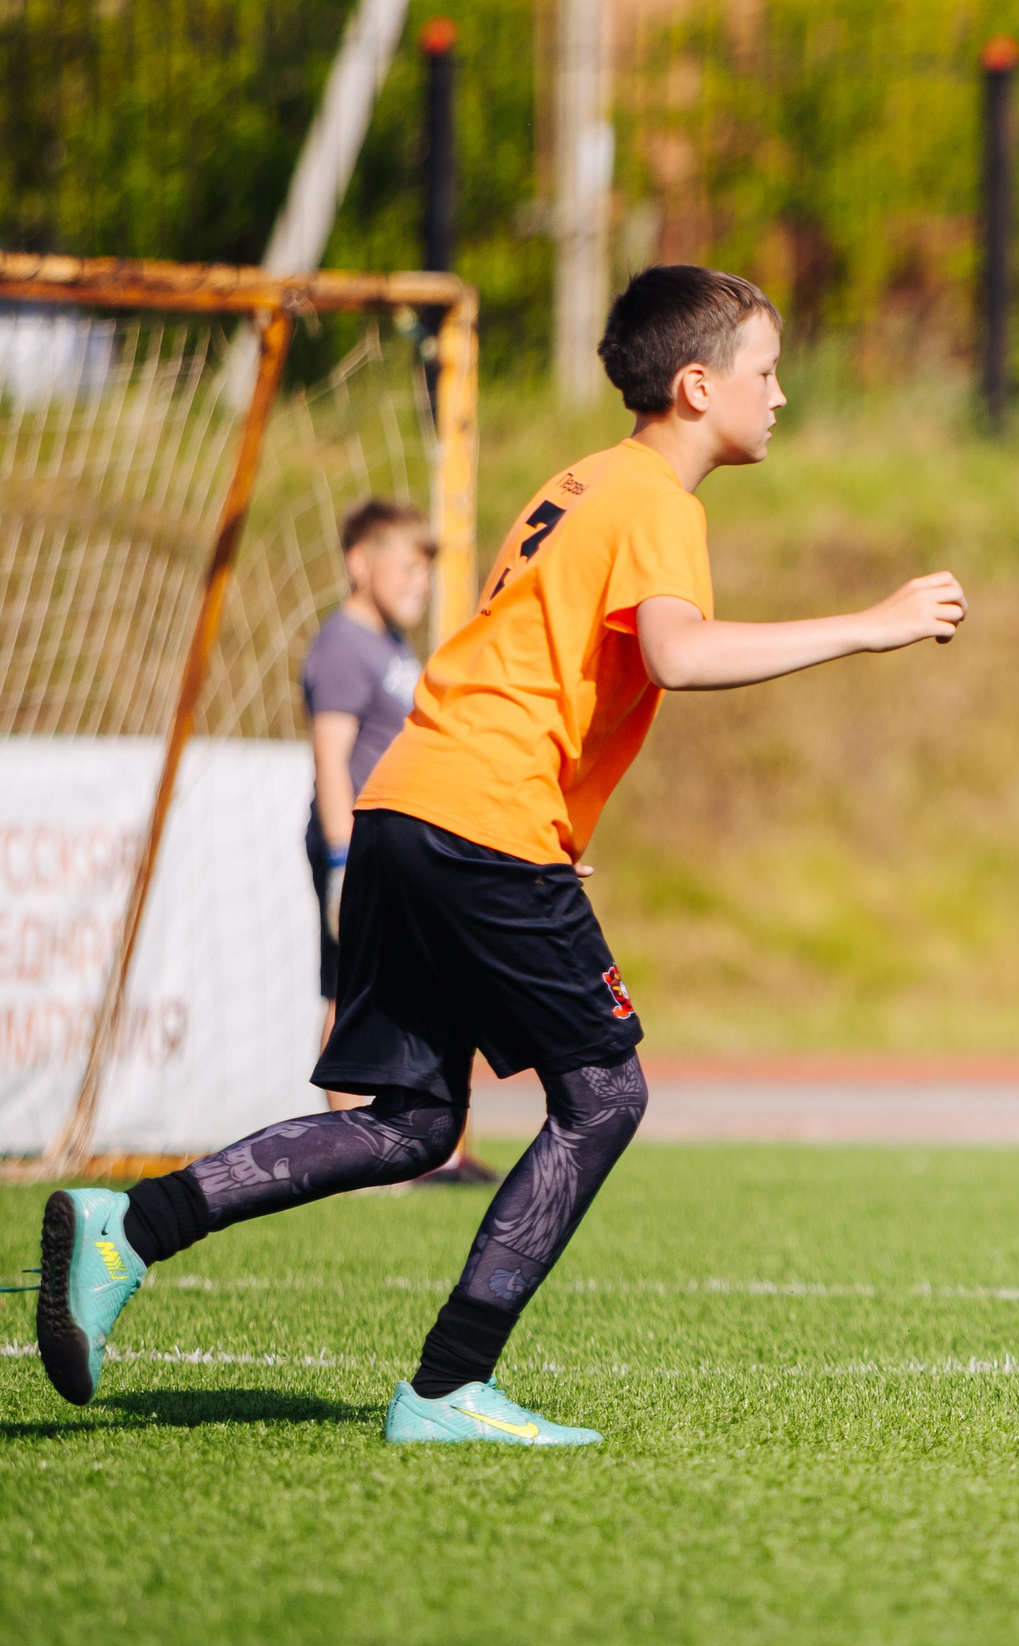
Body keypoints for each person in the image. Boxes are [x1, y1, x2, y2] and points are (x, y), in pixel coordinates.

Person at [34, 265, 970, 1445]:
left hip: (411, 809)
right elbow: (677, 655)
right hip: (479, 823)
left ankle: (134, 1227)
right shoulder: (654, 503)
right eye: (766, 372)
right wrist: (869, 626)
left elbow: (525, 667)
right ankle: (444, 1388)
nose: (781, 396)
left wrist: (531, 836)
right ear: (696, 386)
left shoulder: (578, 485)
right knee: (605, 1095)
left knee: (414, 1124)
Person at [302, 500, 499, 1187]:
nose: (422, 580)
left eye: (427, 566)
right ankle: (347, 1158)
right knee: (347, 993)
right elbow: (331, 756)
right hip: (356, 844)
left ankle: (411, 1147)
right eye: (409, 564)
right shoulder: (343, 644)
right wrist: (337, 860)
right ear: (361, 563)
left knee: (416, 989)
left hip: (395, 844)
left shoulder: (390, 644)